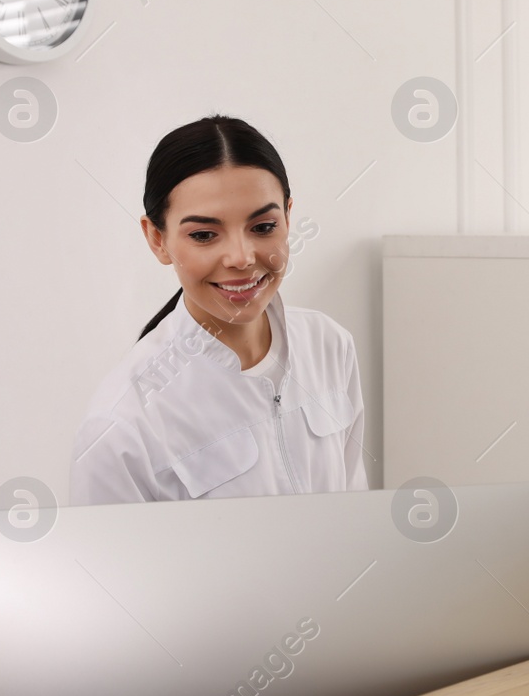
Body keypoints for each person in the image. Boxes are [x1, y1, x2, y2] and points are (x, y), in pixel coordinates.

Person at [69, 115, 368, 504]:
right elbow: (109, 563)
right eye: (204, 235)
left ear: (288, 217)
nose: (241, 258)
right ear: (157, 239)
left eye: (263, 227)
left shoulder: (330, 346)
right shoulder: (121, 424)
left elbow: (356, 515)